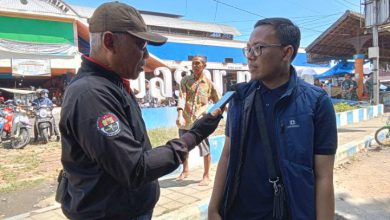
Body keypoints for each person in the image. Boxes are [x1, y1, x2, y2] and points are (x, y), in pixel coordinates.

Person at [57, 2, 222, 220]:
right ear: (109, 41)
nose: (145, 56)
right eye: (140, 46)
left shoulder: (112, 84)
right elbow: (135, 168)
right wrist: (194, 135)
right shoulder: (91, 94)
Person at [208, 18, 337, 220]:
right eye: (248, 48)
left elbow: (324, 176)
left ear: (287, 53)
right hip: (238, 213)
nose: (250, 56)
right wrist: (213, 209)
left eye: (258, 48)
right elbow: (227, 155)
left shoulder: (316, 103)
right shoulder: (240, 98)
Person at [176, 56, 220, 185]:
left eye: (198, 64)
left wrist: (214, 116)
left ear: (204, 66)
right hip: (185, 120)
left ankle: (206, 176)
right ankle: (185, 170)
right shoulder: (185, 80)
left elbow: (219, 101)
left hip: (200, 122)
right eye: (193, 64)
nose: (195, 66)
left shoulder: (209, 84)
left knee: (205, 149)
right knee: (183, 147)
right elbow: (182, 97)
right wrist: (179, 115)